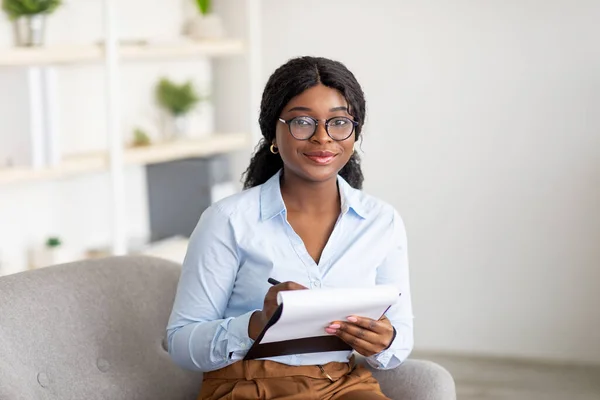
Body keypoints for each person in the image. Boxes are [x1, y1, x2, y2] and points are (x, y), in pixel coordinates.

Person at [167, 56, 414, 400]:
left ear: (354, 132)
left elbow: (399, 339)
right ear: (273, 131)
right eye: (302, 122)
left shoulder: (381, 221)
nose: (323, 138)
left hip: (341, 385)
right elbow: (180, 343)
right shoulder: (228, 220)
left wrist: (384, 341)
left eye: (339, 122)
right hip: (247, 386)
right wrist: (257, 324)